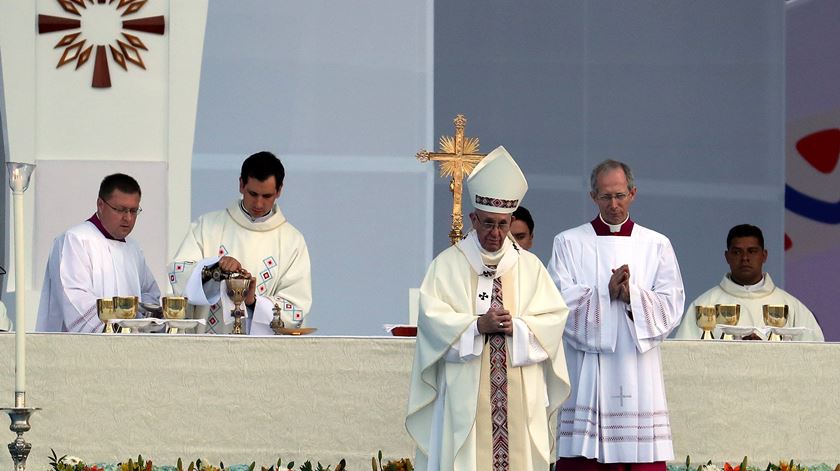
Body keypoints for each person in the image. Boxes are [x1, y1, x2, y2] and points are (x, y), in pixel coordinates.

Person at [406, 146, 570, 471]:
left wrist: (518, 328)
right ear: (473, 219)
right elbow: (432, 324)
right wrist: (477, 327)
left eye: (503, 225)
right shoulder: (447, 266)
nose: (496, 234)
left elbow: (553, 320)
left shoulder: (530, 267)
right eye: (488, 224)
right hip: (466, 399)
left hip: (520, 399)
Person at [548, 159, 685, 470]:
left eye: (620, 195)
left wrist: (632, 297)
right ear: (593, 196)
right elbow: (556, 302)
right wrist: (604, 294)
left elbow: (672, 303)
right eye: (606, 196)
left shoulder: (656, 244)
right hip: (588, 369)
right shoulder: (569, 242)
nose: (614, 204)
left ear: (633, 193)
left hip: (638, 365)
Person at [169, 151, 311, 334]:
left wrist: (254, 303)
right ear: (241, 184)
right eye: (253, 194)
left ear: (279, 190)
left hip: (262, 353)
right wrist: (215, 270)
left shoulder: (292, 241)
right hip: (208, 347)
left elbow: (296, 308)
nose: (259, 204)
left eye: (267, 196)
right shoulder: (208, 226)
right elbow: (178, 274)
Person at [36, 174, 161, 332]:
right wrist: (116, 328)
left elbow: (149, 293)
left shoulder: (133, 248)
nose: (128, 218)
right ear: (100, 204)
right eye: (121, 209)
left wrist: (141, 321)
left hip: (130, 345)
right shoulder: (76, 240)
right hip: (82, 347)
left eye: (134, 211)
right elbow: (74, 298)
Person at [674, 224, 824, 341]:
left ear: (764, 255)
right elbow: (686, 359)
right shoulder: (705, 306)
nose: (745, 258)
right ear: (727, 256)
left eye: (752, 251)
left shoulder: (792, 307)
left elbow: (814, 359)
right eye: (737, 252)